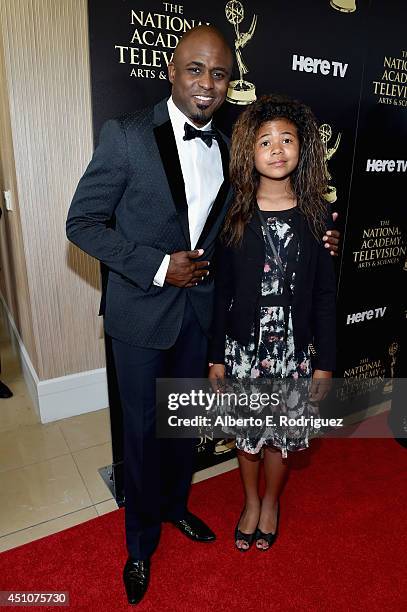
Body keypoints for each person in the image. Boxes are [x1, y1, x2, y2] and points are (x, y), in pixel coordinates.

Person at [66, 26, 339, 604]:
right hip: (140, 314)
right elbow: (82, 224)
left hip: (201, 316)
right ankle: (139, 546)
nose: (207, 84)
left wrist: (321, 243)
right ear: (172, 69)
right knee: (141, 435)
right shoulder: (128, 136)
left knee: (184, 428)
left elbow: (254, 225)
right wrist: (160, 267)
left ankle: (174, 509)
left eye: (219, 74)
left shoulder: (234, 146)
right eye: (196, 69)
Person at [208, 94, 337, 552]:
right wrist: (216, 358)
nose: (277, 149)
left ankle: (271, 502)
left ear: (302, 149)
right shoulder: (234, 214)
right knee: (247, 437)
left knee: (281, 438)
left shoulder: (318, 216)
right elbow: (220, 292)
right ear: (250, 151)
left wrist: (325, 364)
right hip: (245, 349)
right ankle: (248, 500)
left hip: (293, 352)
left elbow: (324, 295)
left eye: (287, 139)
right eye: (266, 141)